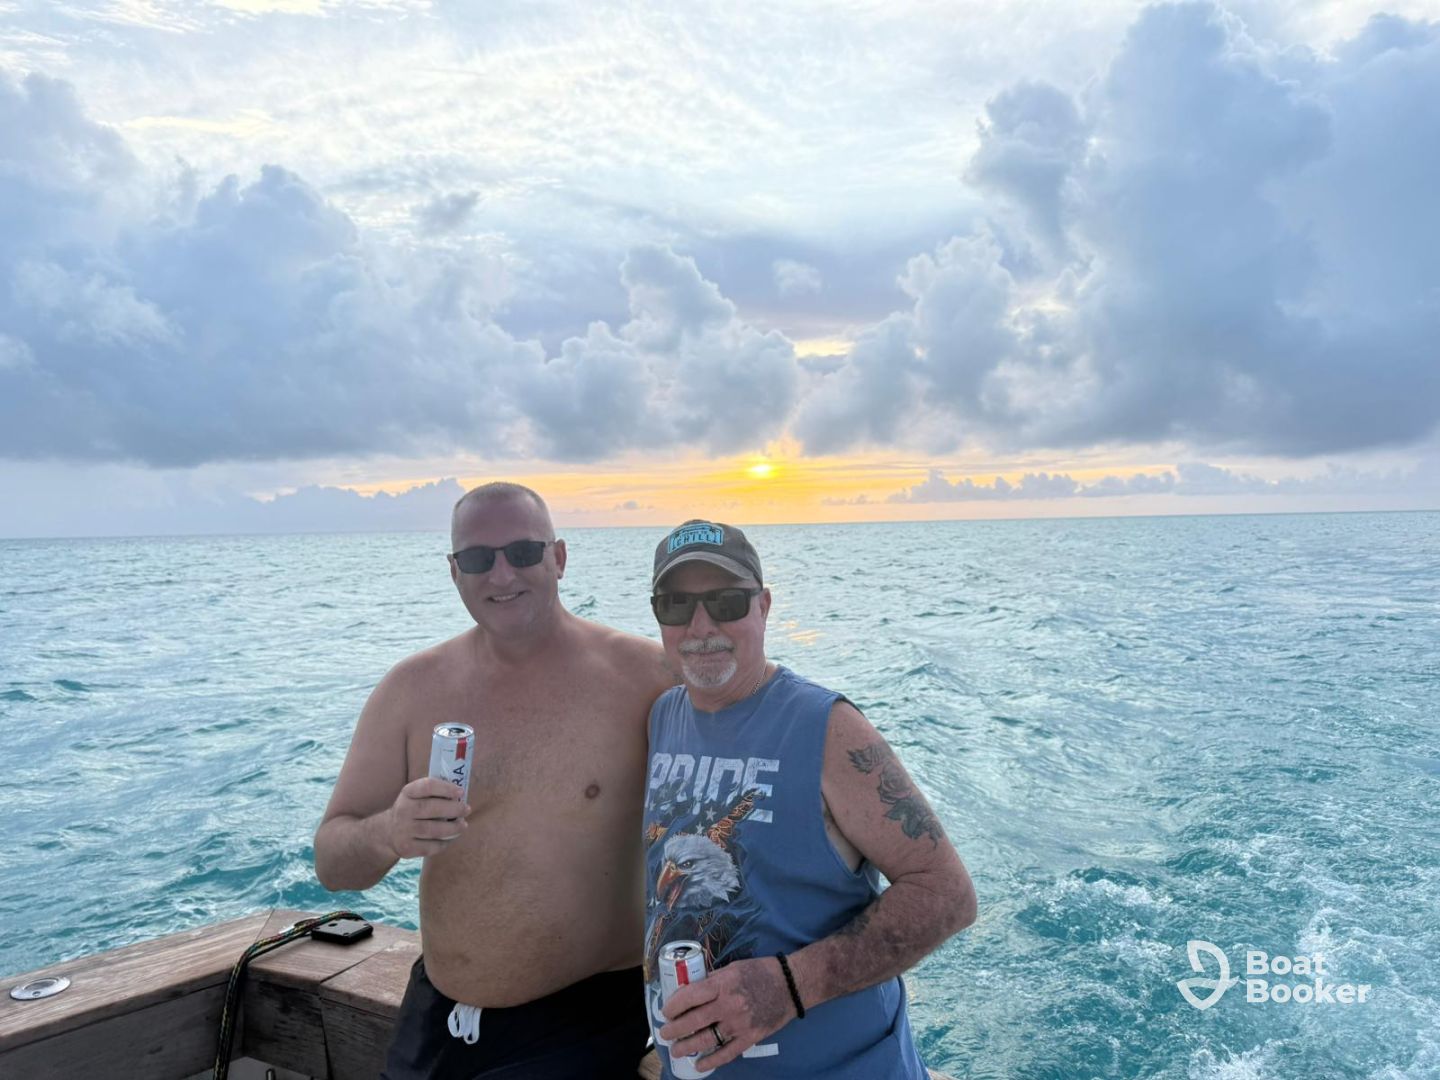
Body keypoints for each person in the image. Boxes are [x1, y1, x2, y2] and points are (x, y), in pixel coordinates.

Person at [314, 482, 675, 1080]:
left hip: (586, 1022)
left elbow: (734, 808)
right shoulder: (410, 690)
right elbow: (333, 863)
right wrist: (389, 833)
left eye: (524, 552)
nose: (502, 574)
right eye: (479, 558)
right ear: (455, 571)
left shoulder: (647, 678)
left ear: (559, 557)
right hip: (436, 1017)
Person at [642, 519, 978, 1078]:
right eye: (676, 605)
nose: (700, 626)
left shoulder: (827, 728)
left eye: (726, 601)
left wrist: (790, 986)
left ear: (764, 606)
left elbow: (948, 895)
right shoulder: (663, 717)